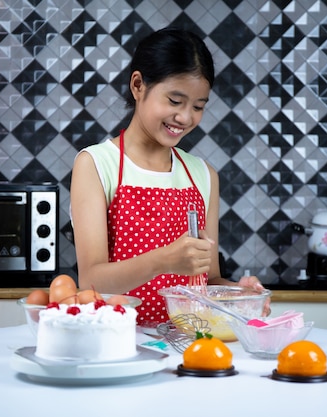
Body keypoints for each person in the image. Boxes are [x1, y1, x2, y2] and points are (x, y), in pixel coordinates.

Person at [70, 27, 270, 326]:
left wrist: (240, 294)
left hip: (189, 342)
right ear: (138, 85)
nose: (186, 117)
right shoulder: (97, 164)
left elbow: (208, 278)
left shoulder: (203, 175)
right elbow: (91, 282)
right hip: (121, 342)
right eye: (175, 101)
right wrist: (163, 260)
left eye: (198, 107)